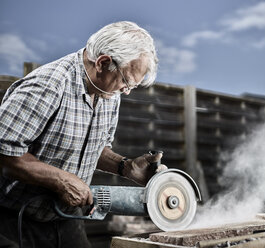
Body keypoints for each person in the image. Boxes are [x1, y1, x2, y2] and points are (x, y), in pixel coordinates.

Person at [0, 21, 167, 248]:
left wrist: (125, 167)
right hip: (13, 218)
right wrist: (61, 180)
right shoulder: (47, 85)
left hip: (65, 218)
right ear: (103, 62)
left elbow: (93, 148)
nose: (126, 91)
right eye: (126, 82)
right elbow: (6, 154)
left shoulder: (109, 93)